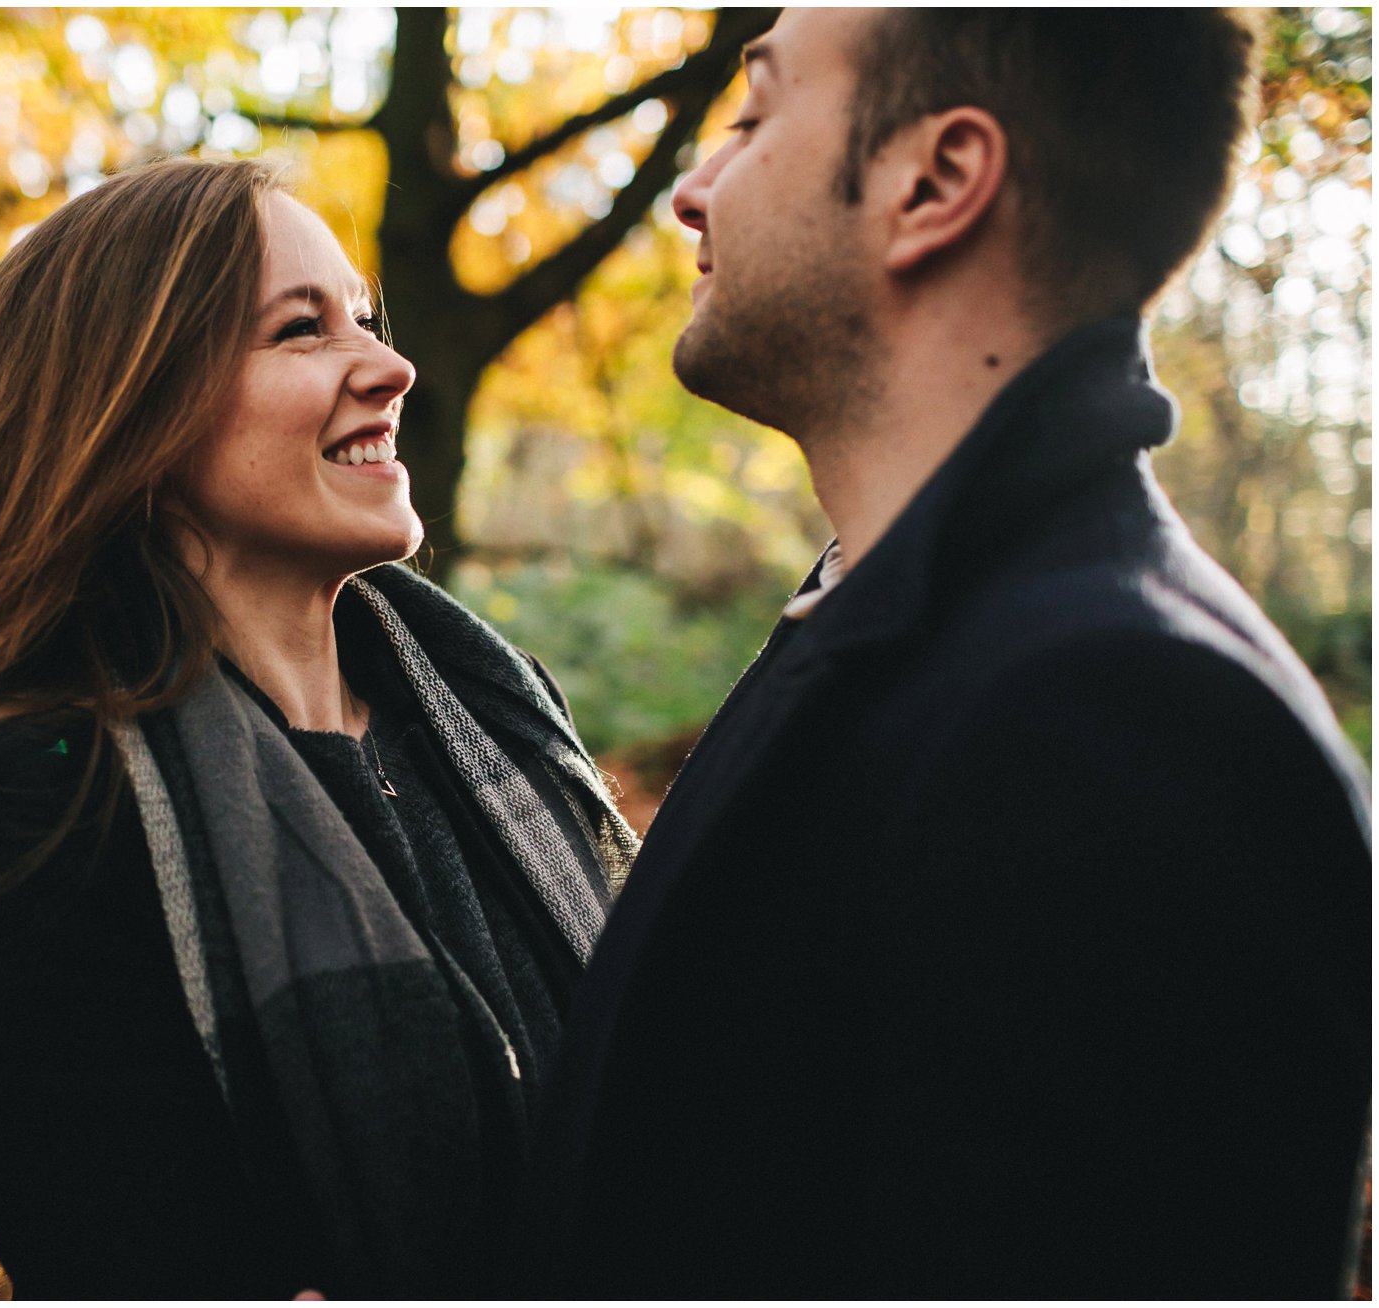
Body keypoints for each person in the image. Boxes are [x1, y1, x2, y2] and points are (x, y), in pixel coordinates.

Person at [514, 8, 1371, 1299]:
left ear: (935, 183)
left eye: (753, 116)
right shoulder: (894, 626)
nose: (692, 189)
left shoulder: (1121, 725)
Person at [0, 158, 634, 1299]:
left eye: (365, 320)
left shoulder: (490, 712)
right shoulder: (25, 796)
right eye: (300, 330)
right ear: (130, 409)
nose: (390, 367)